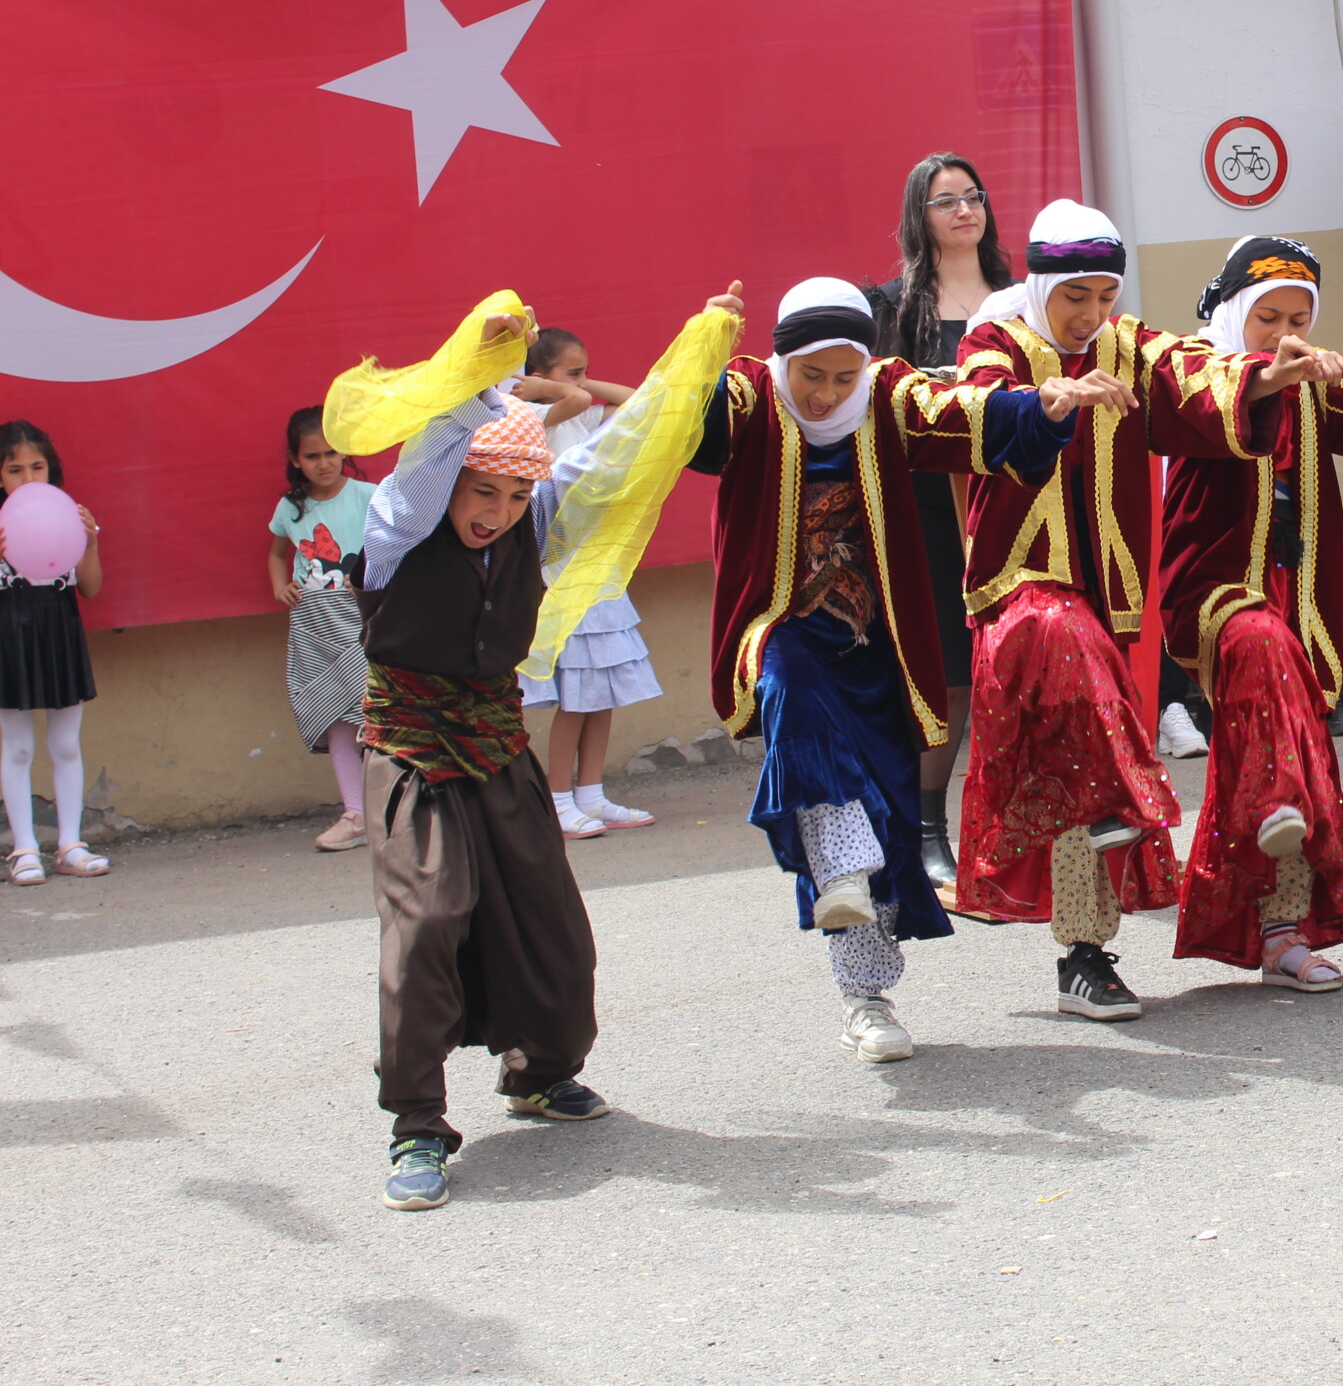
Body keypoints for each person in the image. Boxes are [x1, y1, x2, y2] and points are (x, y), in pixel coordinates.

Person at [337, 285, 739, 1211]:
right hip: (409, 751)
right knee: (430, 918)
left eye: (517, 493)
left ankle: (538, 1071)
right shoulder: (401, 529)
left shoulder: (537, 521)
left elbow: (627, 445)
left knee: (548, 923)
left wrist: (700, 347)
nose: (500, 509)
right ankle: (418, 1127)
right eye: (486, 490)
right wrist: (479, 364)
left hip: (495, 745)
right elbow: (433, 450)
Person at [953, 200, 1343, 1021]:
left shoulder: (1129, 346)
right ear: (1040, 285)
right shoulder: (996, 344)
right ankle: (1086, 947)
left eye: (1105, 295)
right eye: (1076, 297)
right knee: (1068, 665)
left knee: (1095, 728)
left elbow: (1193, 376)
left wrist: (1261, 377)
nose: (1093, 314)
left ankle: (1144, 942)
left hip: (1117, 602)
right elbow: (974, 406)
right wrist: (1048, 399)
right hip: (1021, 590)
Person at [690, 277, 1099, 1063]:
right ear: (784, 361)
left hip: (879, 645)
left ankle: (867, 997)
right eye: (813, 375)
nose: (827, 393)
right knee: (795, 704)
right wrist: (703, 353)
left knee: (880, 815)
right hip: (783, 626)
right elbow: (691, 427)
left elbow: (967, 415)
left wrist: (1041, 406)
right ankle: (843, 890)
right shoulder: (749, 396)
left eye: (844, 376)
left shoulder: (888, 396)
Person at [1161, 239, 1343, 989]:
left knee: (1288, 748)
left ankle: (1280, 933)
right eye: (1268, 317)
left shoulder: (1315, 383)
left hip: (1301, 604)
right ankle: (1277, 816)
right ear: (1235, 311)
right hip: (1215, 591)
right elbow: (1207, 399)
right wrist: (1266, 375)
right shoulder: (1196, 368)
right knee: (1265, 655)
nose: (1286, 332)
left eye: (1300, 317)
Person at [868, 153, 1015, 882]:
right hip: (927, 511)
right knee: (944, 671)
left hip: (1013, 505)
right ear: (917, 217)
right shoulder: (891, 306)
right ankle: (924, 826)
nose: (964, 210)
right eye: (945, 200)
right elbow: (872, 405)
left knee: (1017, 666)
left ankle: (1021, 828)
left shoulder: (1020, 299)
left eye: (973, 196)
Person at [514, 326, 659, 838]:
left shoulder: (587, 418)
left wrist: (581, 379)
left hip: (595, 569)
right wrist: (552, 389)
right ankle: (557, 800)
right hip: (558, 575)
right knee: (575, 695)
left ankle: (591, 793)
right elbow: (572, 399)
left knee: (601, 691)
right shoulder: (530, 416)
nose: (584, 383)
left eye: (584, 371)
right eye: (571, 371)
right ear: (535, 378)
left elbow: (642, 403)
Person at [1, 421, 105, 887]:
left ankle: (70, 844)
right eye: (15, 469)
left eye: (37, 466)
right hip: (11, 637)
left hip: (60, 632)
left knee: (65, 744)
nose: (28, 478)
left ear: (51, 468)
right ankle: (24, 848)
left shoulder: (73, 515)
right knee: (17, 746)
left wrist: (92, 543)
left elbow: (92, 587)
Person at [267, 407, 376, 854]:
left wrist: (372, 581)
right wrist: (280, 586)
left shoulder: (370, 495)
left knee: (374, 713)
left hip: (361, 622)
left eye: (332, 452)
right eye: (312, 455)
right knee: (334, 718)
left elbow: (397, 546)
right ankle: (356, 814)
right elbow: (276, 554)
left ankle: (393, 807)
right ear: (295, 459)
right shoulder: (290, 509)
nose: (324, 463)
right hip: (313, 626)